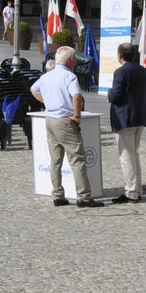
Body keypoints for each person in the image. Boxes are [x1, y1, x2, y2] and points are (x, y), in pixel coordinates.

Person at [29, 45, 102, 208]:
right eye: (74, 59)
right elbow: (77, 96)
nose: (75, 62)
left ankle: (57, 194)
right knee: (77, 159)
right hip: (64, 120)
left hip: (50, 119)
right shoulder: (69, 76)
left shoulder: (47, 76)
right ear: (69, 61)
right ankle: (83, 196)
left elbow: (33, 89)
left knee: (55, 160)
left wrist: (47, 102)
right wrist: (76, 116)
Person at [106, 42, 146, 205]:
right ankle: (137, 189)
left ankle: (131, 191)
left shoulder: (121, 71)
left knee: (126, 156)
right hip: (139, 116)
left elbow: (115, 95)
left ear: (120, 56)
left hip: (124, 118)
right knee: (134, 154)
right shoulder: (142, 70)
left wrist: (109, 94)